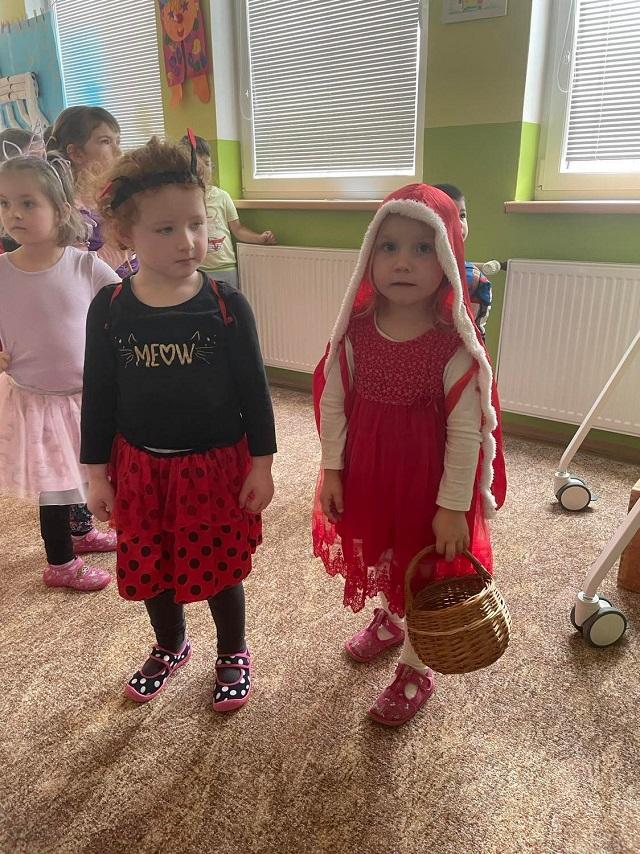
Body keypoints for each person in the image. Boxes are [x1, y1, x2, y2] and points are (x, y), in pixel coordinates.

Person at [81, 137, 276, 709]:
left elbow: (255, 392)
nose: (187, 241)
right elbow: (99, 397)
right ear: (126, 234)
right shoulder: (109, 307)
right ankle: (170, 644)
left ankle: (232, 650)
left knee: (219, 568)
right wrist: (96, 475)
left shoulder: (226, 304)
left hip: (214, 467)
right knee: (151, 564)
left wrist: (261, 465)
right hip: (140, 467)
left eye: (195, 223)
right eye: (165, 229)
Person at [312, 183, 506, 726]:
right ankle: (389, 619)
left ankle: (417, 665)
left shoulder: (453, 345)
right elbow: (334, 401)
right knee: (384, 551)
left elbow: (467, 434)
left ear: (448, 258)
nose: (403, 262)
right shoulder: (354, 333)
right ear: (369, 255)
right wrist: (332, 469)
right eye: (390, 246)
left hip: (428, 486)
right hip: (370, 474)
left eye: (423, 248)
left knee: (424, 572)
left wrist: (453, 507)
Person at [0, 150, 120, 591]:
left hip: (84, 394)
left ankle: (81, 532)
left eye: (28, 202)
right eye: (4, 203)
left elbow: (127, 306)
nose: (13, 213)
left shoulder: (84, 265)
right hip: (36, 398)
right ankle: (60, 563)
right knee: (54, 483)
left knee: (84, 468)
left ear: (62, 210)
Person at [180, 134, 276, 289]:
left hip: (225, 267)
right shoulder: (182, 201)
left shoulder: (222, 196)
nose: (203, 170)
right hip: (197, 269)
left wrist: (259, 238)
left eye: (207, 163)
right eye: (197, 165)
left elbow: (238, 229)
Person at [49, 105, 135, 277]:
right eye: (106, 141)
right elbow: (79, 274)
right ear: (76, 153)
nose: (118, 151)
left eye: (118, 142)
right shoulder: (68, 208)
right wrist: (122, 244)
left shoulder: (113, 192)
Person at [433, 183, 493, 338]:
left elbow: (472, 333)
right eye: (449, 216)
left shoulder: (472, 279)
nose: (459, 223)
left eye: (462, 216)